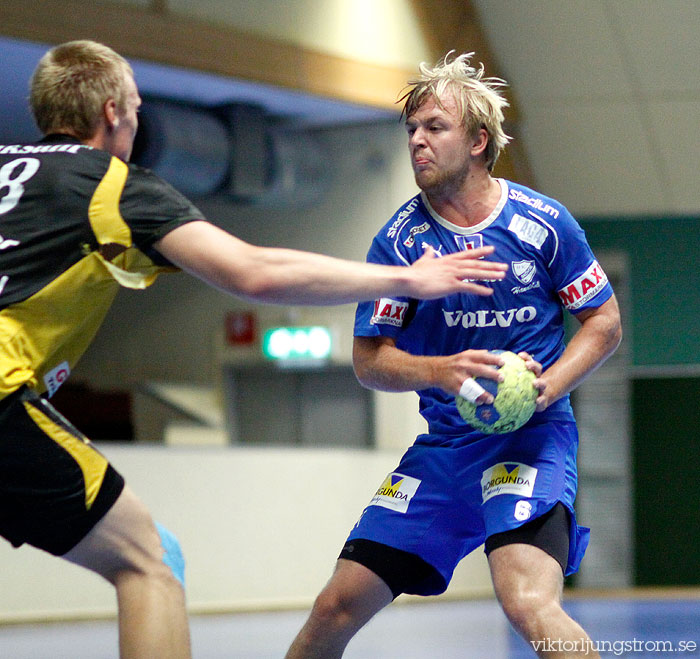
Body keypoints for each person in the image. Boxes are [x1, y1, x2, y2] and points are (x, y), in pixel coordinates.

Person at [0, 41, 509, 659]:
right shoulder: (107, 185)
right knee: (152, 561)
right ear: (113, 114)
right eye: (137, 111)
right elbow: (255, 271)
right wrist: (409, 279)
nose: (136, 124)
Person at [286, 52, 622, 659]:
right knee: (335, 607)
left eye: (434, 127)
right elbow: (369, 360)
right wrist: (439, 372)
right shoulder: (399, 243)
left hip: (532, 440)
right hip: (445, 451)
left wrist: (548, 388)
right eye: (411, 128)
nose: (417, 140)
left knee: (528, 603)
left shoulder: (543, 225)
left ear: (477, 141)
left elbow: (603, 322)